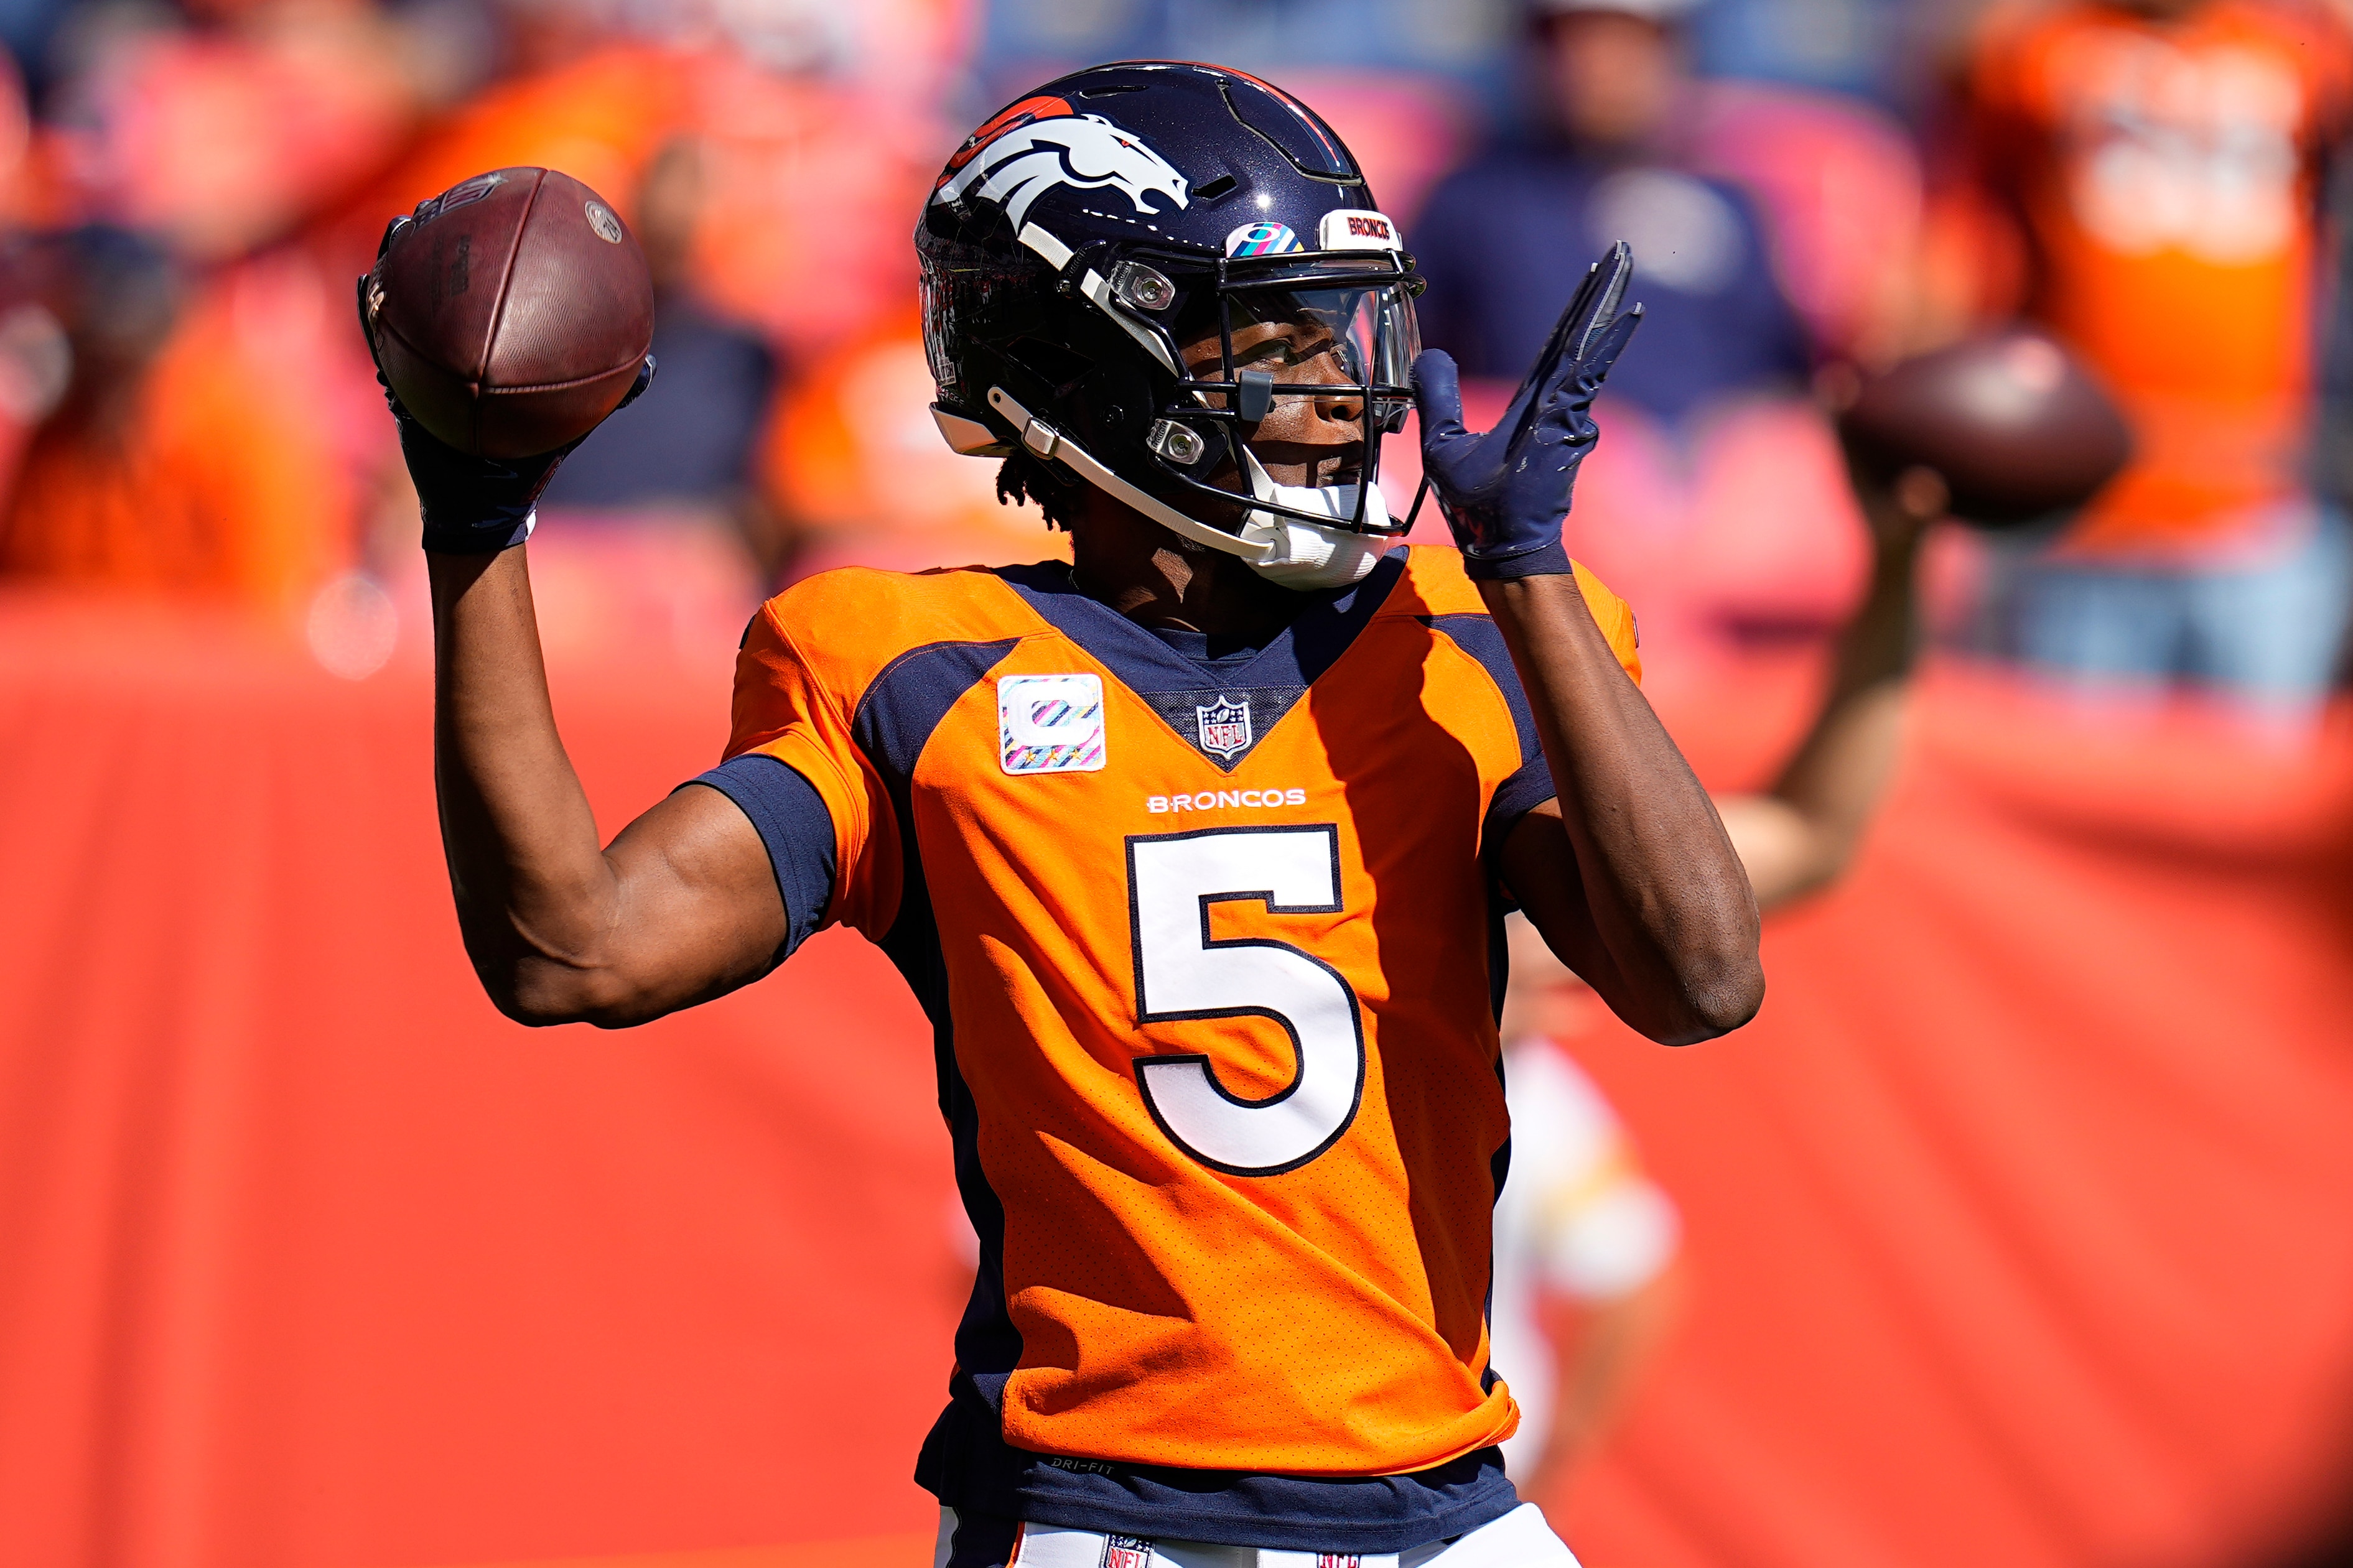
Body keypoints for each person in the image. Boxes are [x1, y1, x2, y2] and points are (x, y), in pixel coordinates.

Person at [371, 62, 1763, 1567]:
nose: (1339, 399)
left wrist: (1533, 570)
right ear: (1100, 363)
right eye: (1274, 345)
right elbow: (571, 951)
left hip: (1450, 1508)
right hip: (1109, 1520)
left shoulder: (1464, 639)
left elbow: (1700, 981)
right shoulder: (908, 672)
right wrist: (474, 526)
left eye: (1344, 333)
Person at [1488, 451, 1944, 1510]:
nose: (1568, 983)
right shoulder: (1409, 875)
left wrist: (1894, 571)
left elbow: (1809, 835)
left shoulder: (1541, 1082)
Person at [1939, 0, 2353, 707]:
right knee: (2065, 791)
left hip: (2256, 511)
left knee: (2250, 799)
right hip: (2083, 520)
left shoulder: (2298, 49)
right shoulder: (2040, 50)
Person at [1413, 0, 1810, 429]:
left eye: (1626, 43)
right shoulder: (1475, 204)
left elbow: (1783, 385)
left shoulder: (1734, 209)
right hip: (1541, 477)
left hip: (1714, 482)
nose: (1598, 67)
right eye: (1575, 41)